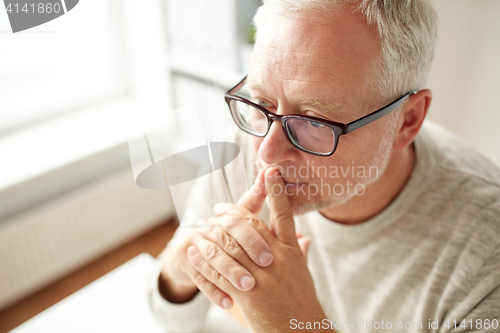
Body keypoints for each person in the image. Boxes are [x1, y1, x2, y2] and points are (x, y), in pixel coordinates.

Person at [148, 0, 500, 332]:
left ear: (407, 120)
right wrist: (180, 270)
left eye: (315, 121)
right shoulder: (244, 143)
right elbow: (168, 318)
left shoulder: (487, 260)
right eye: (261, 100)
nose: (267, 153)